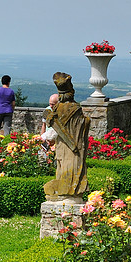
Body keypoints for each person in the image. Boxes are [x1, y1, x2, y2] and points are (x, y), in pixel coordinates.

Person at [43, 73, 90, 202]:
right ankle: (68, 192)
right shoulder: (75, 108)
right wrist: (86, 121)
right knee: (70, 167)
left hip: (63, 145)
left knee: (63, 167)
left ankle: (64, 192)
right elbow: (81, 124)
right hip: (71, 146)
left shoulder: (58, 108)